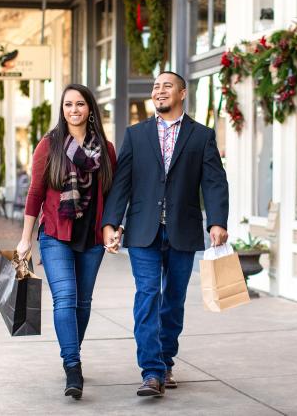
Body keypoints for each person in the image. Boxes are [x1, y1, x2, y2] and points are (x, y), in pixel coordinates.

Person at [101, 71, 229, 397]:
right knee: (147, 296)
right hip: (143, 230)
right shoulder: (136, 134)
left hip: (182, 231)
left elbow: (213, 182)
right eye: (156, 86)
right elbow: (122, 183)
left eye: (167, 86)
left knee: (173, 300)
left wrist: (217, 221)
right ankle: (152, 372)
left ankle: (166, 358)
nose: (159, 91)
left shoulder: (201, 136)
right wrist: (111, 223)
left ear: (182, 93)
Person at [16, 84, 116, 400]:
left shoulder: (106, 149)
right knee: (66, 298)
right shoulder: (50, 145)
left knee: (83, 303)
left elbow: (112, 194)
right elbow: (34, 194)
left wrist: (113, 228)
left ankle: (73, 350)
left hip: (92, 236)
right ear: (62, 109)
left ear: (90, 109)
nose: (73, 110)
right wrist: (24, 239)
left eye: (80, 104)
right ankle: (72, 365)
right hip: (55, 234)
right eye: (68, 104)